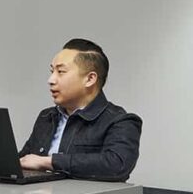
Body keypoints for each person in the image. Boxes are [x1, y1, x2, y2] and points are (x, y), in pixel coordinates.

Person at [18, 38, 142, 182]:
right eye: (52, 71)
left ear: (90, 79)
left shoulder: (121, 121)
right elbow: (24, 160)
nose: (51, 79)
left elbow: (117, 165)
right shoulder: (47, 116)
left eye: (61, 72)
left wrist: (48, 162)